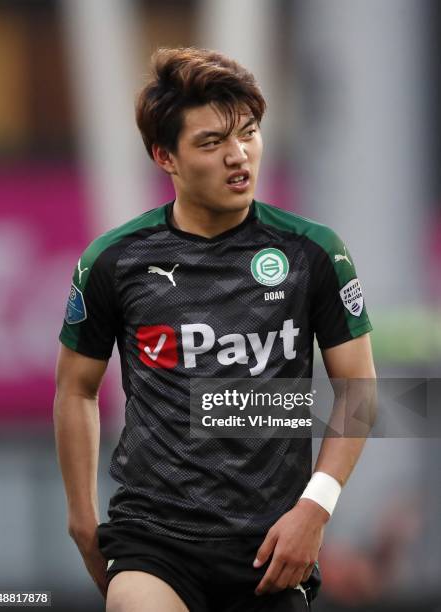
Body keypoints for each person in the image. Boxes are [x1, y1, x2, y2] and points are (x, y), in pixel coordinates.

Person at [54, 47, 376, 612]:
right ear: (165, 156)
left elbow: (360, 390)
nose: (239, 156)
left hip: (271, 547)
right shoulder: (113, 260)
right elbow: (75, 388)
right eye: (211, 143)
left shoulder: (314, 252)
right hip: (152, 539)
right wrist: (82, 514)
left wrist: (315, 508)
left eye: (248, 133)